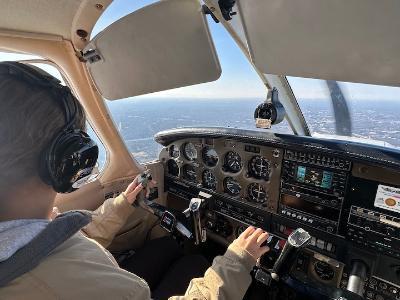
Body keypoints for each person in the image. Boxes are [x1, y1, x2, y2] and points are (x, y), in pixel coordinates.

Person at [0, 62, 270, 299]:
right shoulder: (60, 284)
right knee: (195, 263)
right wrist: (237, 261)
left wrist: (121, 203)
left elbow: (64, 237)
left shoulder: (22, 238)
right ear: (68, 160)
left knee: (166, 247)